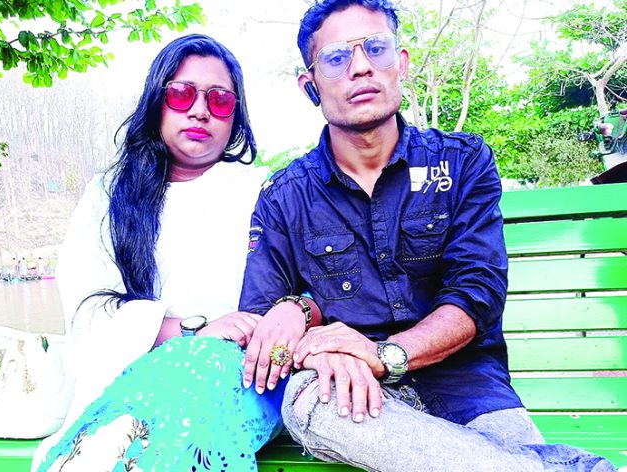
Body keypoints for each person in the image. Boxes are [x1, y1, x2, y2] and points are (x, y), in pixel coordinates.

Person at [239, 1, 615, 471]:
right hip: (353, 390)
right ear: (310, 85)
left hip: (467, 383)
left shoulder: (462, 162)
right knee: (309, 403)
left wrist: (385, 354)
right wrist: (312, 341)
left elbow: (476, 292)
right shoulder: (284, 196)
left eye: (376, 48)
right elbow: (262, 322)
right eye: (336, 57)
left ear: (401, 63)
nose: (361, 67)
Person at [31, 34, 319, 472]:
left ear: (236, 116)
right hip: (130, 377)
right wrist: (192, 331)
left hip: (246, 379)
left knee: (194, 386)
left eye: (220, 100)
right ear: (157, 101)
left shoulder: (267, 191)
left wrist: (293, 312)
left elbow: (320, 290)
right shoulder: (108, 196)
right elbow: (87, 312)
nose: (200, 110)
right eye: (183, 94)